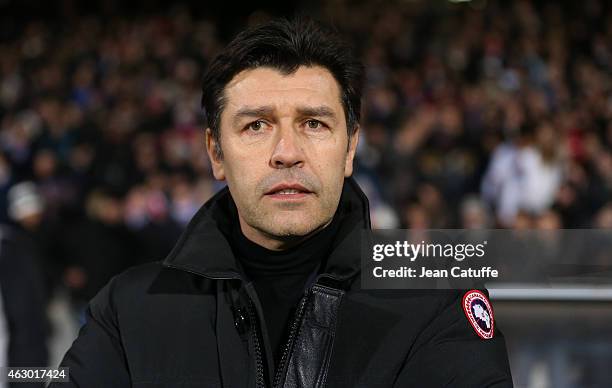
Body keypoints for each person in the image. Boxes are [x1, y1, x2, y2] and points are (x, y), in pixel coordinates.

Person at [53, 18, 512, 387]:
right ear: (216, 153)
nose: (287, 151)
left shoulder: (436, 300)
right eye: (256, 126)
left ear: (350, 149)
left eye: (314, 123)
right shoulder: (128, 310)